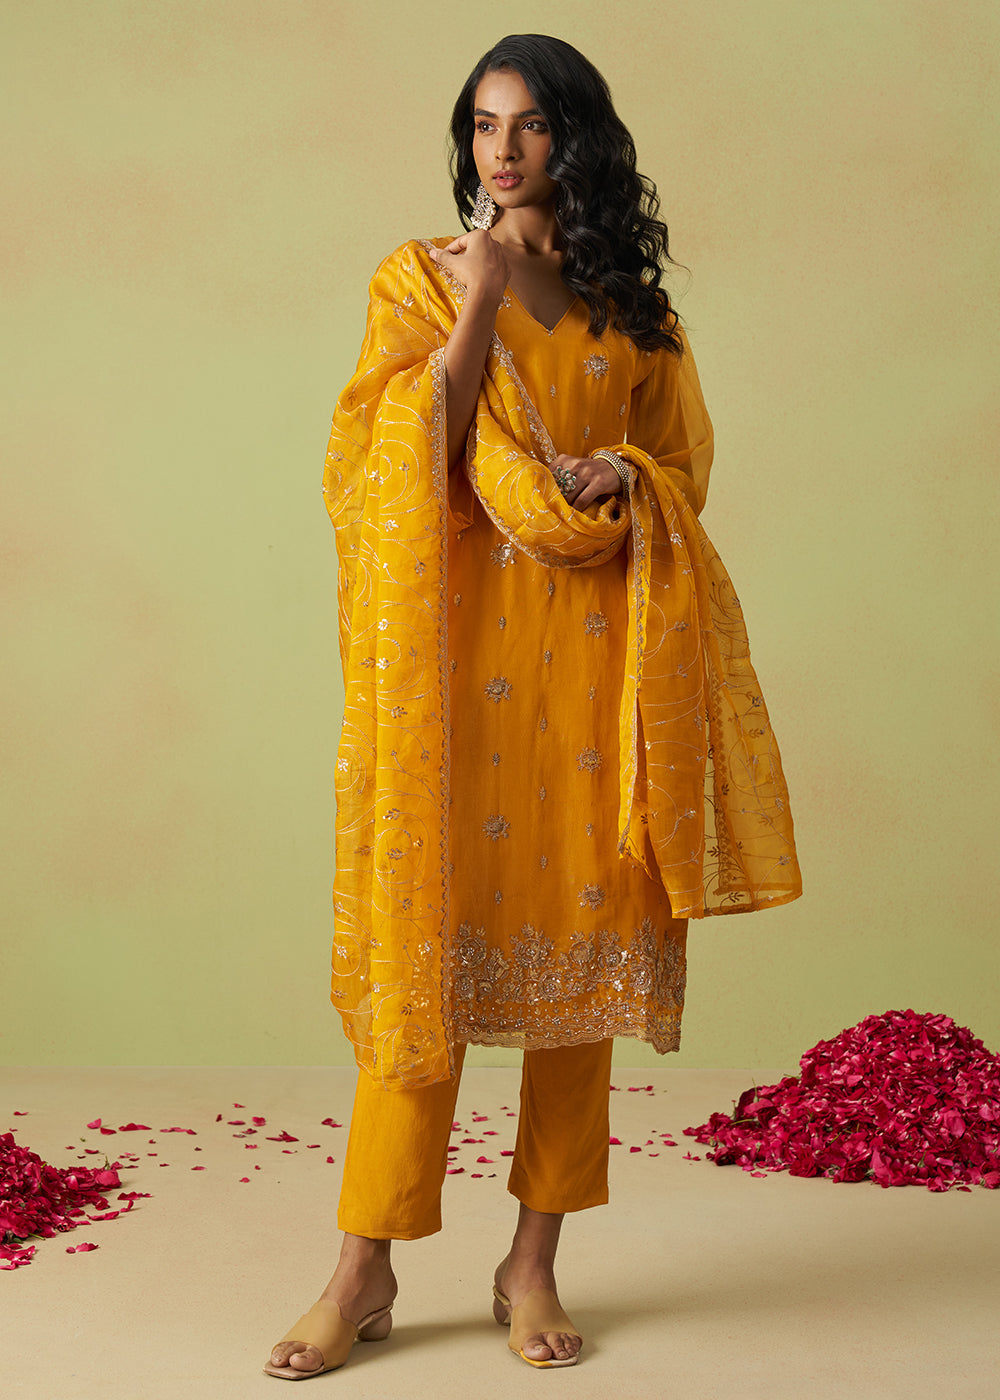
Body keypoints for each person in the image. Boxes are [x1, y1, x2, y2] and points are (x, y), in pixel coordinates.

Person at [265, 33, 801, 1379]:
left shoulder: (633, 309)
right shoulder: (424, 275)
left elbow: (680, 465)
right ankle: (363, 1269)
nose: (501, 150)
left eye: (529, 125)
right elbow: (397, 455)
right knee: (423, 967)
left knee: (579, 980)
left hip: (597, 670)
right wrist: (480, 303)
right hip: (459, 682)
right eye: (482, 125)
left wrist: (625, 473)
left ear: (577, 138)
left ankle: (533, 1263)